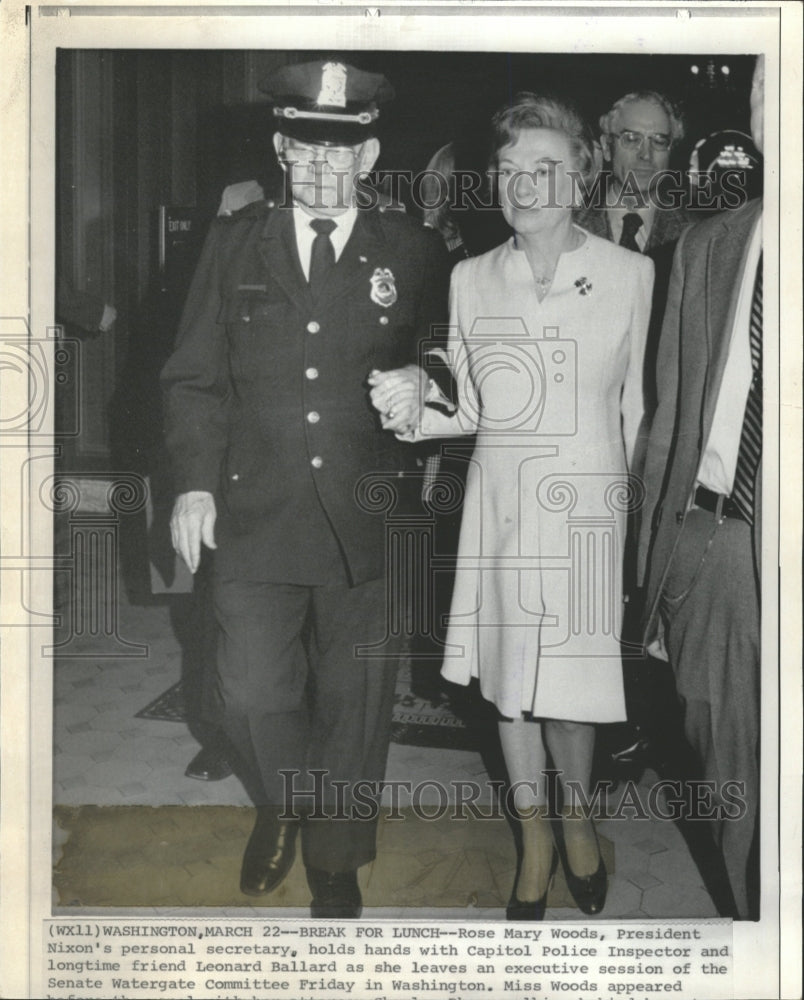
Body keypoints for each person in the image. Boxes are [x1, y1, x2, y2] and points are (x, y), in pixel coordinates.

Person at [161, 58, 449, 918]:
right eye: (304, 150)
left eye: (342, 152)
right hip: (253, 506)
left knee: (355, 699)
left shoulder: (413, 248)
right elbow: (192, 377)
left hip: (367, 511)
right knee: (247, 689)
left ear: (368, 157)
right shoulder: (234, 241)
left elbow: (450, 353)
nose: (322, 171)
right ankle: (288, 799)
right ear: (281, 147)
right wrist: (192, 486)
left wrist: (424, 380)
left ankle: (333, 853)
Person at [370, 93, 654, 919]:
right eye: (509, 171)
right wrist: (410, 402)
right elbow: (468, 409)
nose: (524, 186)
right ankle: (533, 840)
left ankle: (578, 820)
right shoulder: (470, 278)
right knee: (510, 694)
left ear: (581, 174)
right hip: (498, 514)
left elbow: (638, 414)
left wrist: (629, 535)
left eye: (544, 169)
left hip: (587, 515)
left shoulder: (631, 275)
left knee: (573, 698)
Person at [638, 55, 765, 920]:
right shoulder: (709, 246)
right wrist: (660, 568)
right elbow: (671, 419)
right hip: (719, 542)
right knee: (731, 769)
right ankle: (762, 932)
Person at [575, 91, 693, 782]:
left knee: (648, 584)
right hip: (585, 441)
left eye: (659, 143)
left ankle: (646, 720)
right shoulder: (568, 224)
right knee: (592, 581)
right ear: (605, 141)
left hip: (662, 441)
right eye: (630, 140)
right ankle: (600, 724)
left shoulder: (701, 233)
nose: (644, 156)